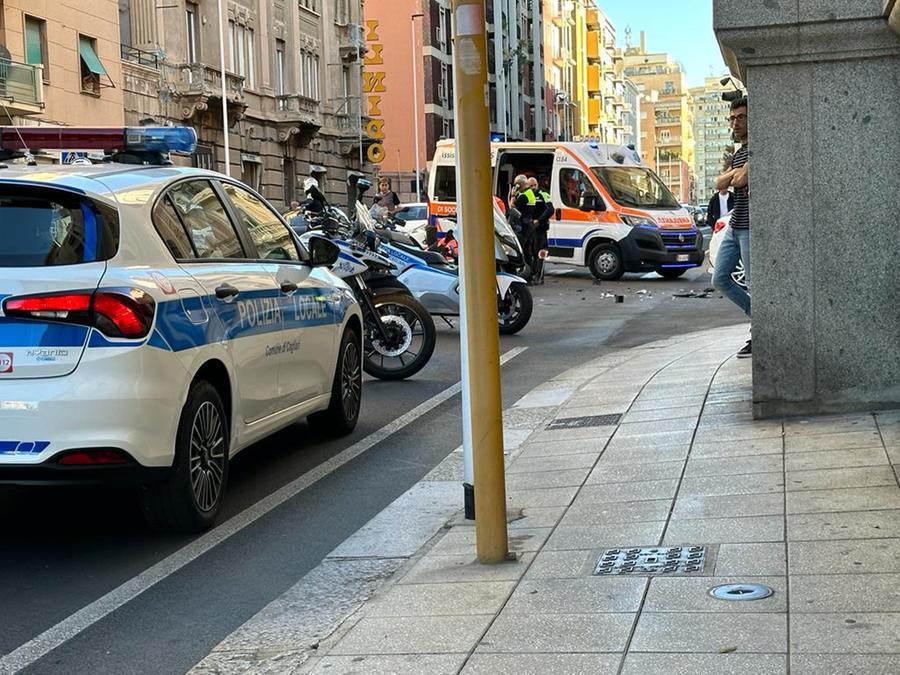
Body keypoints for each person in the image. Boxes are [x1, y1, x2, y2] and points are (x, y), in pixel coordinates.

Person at [713, 97, 751, 358]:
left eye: (741, 117)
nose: (735, 123)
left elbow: (742, 178)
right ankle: (759, 318)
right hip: (735, 225)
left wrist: (733, 178)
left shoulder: (756, 148)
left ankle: (759, 332)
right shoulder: (739, 153)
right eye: (732, 118)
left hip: (751, 226)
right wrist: (731, 177)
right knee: (720, 278)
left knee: (754, 284)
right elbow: (720, 182)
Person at [529, 176, 553, 284]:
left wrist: (539, 220)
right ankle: (532, 274)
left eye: (535, 185)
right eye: (531, 186)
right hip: (530, 227)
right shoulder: (527, 195)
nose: (534, 187)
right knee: (531, 251)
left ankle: (539, 276)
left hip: (540, 227)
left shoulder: (543, 193)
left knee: (539, 251)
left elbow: (550, 209)